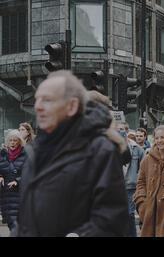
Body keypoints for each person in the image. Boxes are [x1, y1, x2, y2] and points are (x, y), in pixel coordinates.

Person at [15, 70, 128, 236]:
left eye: (47, 100)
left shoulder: (99, 150)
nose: (38, 106)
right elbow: (26, 217)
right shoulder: (36, 150)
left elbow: (111, 218)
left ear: (72, 106)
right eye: (37, 99)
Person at [0, 130, 27, 231]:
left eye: (15, 140)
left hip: (20, 194)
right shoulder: (2, 154)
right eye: (10, 140)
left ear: (19, 142)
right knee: (11, 223)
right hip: (5, 194)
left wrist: (18, 181)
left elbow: (30, 173)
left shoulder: (25, 154)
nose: (12, 142)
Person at [123, 129, 145, 237]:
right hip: (118, 186)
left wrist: (138, 178)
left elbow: (144, 166)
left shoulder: (137, 149)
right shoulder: (114, 145)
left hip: (131, 186)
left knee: (129, 213)